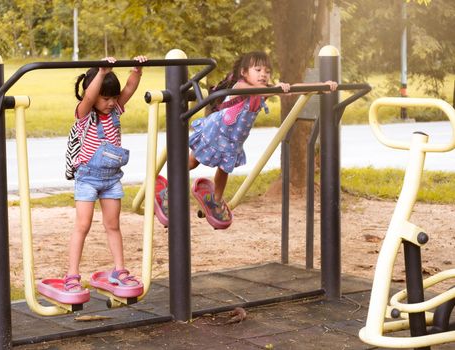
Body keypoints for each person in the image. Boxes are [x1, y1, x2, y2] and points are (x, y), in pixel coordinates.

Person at [157, 51, 337, 225]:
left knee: (224, 169)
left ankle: (216, 200)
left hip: (233, 140)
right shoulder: (241, 86)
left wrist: (321, 87)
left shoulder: (263, 90)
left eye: (267, 72)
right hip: (215, 133)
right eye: (257, 70)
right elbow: (261, 90)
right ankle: (168, 190)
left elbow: (294, 88)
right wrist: (277, 88)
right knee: (192, 162)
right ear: (243, 73)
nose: (263, 75)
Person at [63, 56, 147, 293]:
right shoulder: (85, 114)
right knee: (83, 225)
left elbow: (130, 87)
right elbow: (90, 97)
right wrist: (101, 72)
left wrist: (137, 69)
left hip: (111, 180)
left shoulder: (115, 111)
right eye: (106, 98)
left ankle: (119, 269)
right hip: (87, 178)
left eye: (113, 98)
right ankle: (72, 274)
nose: (111, 102)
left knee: (113, 225)